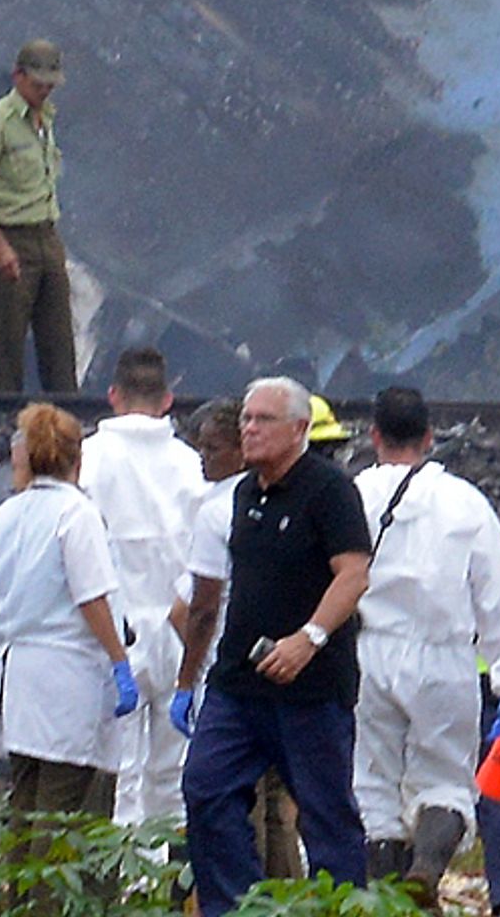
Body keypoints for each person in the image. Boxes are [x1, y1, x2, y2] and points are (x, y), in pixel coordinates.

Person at [173, 376, 371, 916]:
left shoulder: (330, 491)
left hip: (311, 686)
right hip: (238, 682)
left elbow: (353, 575)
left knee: (325, 813)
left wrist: (308, 639)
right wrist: (191, 677)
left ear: (300, 429)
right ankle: (236, 906)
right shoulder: (241, 494)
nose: (250, 430)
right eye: (246, 420)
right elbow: (209, 595)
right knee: (206, 789)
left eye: (263, 420)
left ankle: (343, 909)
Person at [348, 387, 500, 899]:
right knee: (445, 780)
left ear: (373, 434)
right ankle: (426, 867)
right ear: (430, 436)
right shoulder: (465, 503)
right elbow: (498, 596)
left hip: (368, 653)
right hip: (444, 655)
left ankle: (388, 899)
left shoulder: (353, 494)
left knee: (373, 786)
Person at [0, 402, 139, 819]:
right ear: (76, 457)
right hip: (69, 682)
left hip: (19, 680)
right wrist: (120, 661)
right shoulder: (76, 514)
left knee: (25, 807)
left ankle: (20, 887)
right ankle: (49, 889)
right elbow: (92, 596)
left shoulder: (5, 515)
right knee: (63, 816)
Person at [173, 399, 304, 879]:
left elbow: (192, 609)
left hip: (229, 676)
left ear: (240, 449)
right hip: (282, 664)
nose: (203, 456)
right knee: (278, 806)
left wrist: (187, 678)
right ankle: (290, 900)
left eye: (212, 447)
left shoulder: (217, 507)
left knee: (232, 798)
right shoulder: (290, 496)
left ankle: (240, 900)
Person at [79, 347, 205, 824]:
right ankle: (170, 881)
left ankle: (126, 883)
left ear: (112, 395)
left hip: (115, 636)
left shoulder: (88, 460)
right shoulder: (191, 464)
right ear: (168, 399)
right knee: (174, 775)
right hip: (181, 630)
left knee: (121, 771)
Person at [0, 40, 75, 393]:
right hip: (11, 237)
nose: (43, 92)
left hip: (47, 234)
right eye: (37, 84)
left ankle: (66, 419)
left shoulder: (47, 118)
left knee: (58, 341)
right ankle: (5, 421)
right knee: (9, 344)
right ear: (18, 77)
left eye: (49, 86)